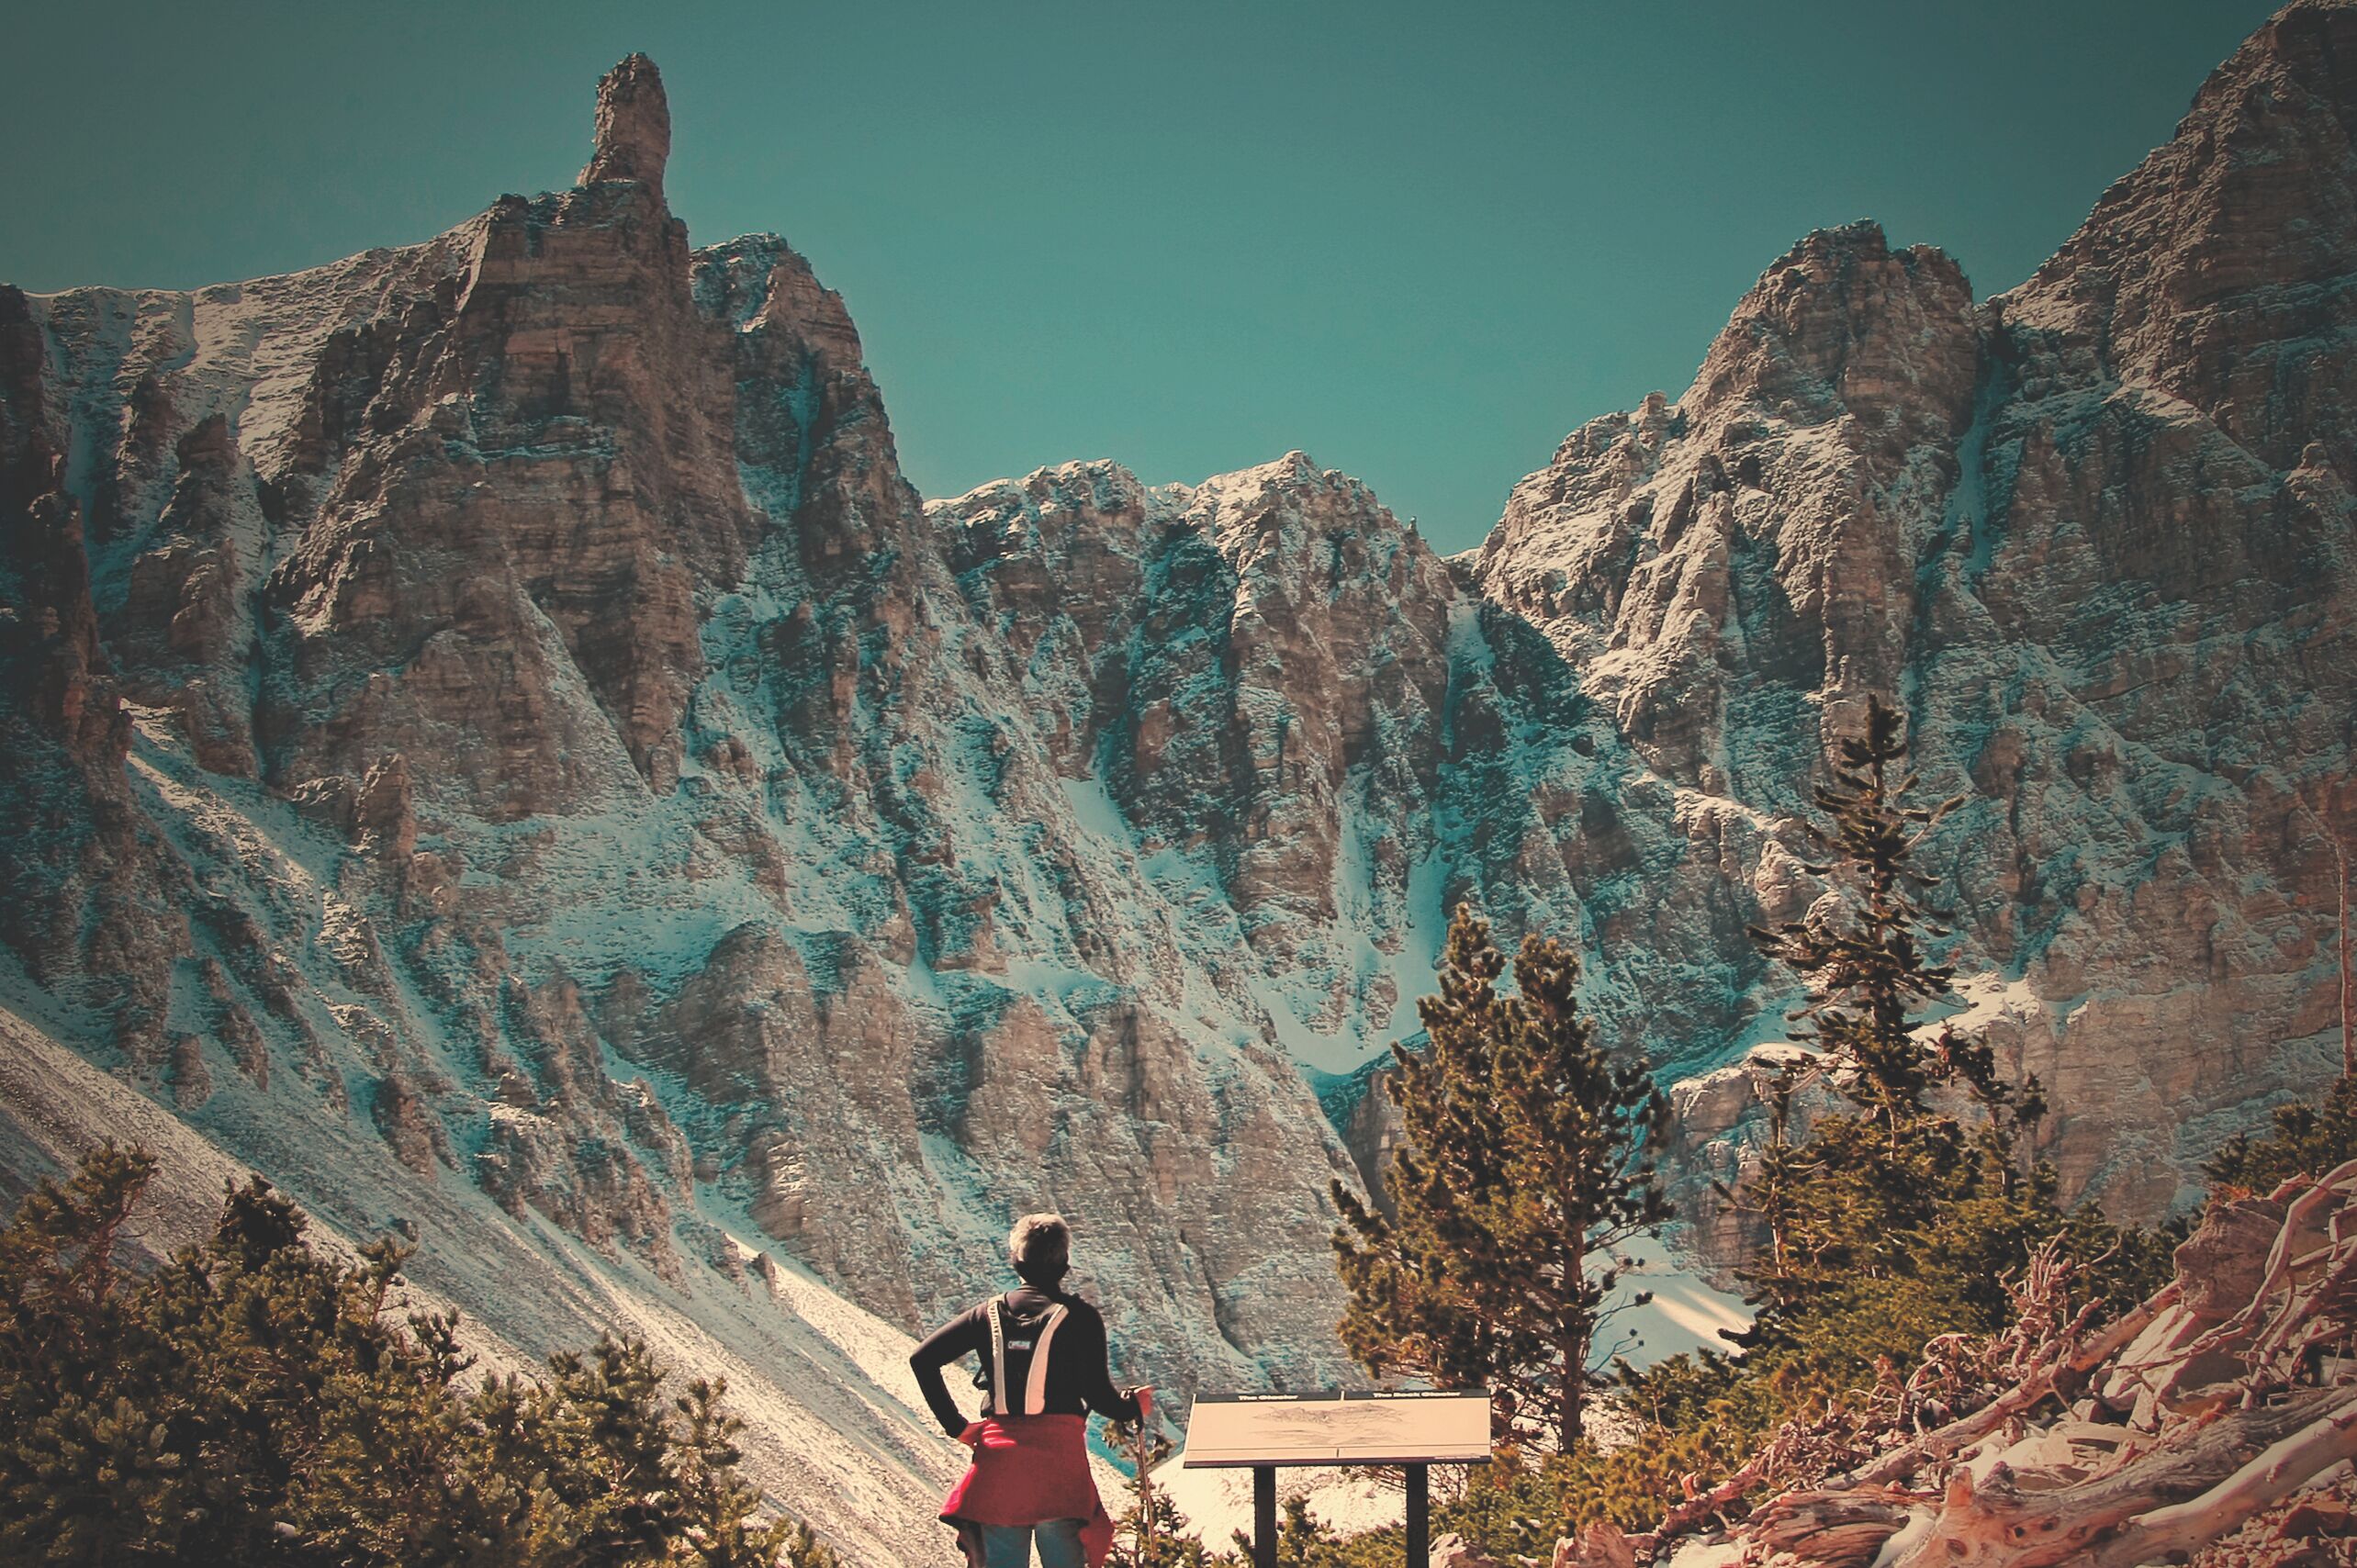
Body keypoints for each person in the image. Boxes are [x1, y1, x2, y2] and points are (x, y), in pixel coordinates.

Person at [912, 1214, 1151, 1568]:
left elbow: (923, 1360)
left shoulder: (985, 1314)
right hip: (1060, 1468)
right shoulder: (1080, 1317)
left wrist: (958, 1427)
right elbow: (1100, 1396)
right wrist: (1134, 1405)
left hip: (1001, 1466)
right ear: (1064, 1264)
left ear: (1016, 1260)